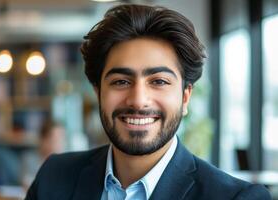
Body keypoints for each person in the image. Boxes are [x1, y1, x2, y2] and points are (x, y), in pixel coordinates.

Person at [25, 4, 271, 200]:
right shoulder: (54, 177)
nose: (138, 100)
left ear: (185, 96)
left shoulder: (235, 197)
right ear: (98, 91)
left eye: (159, 81)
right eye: (121, 81)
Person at [22, 120, 66, 187]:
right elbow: (27, 185)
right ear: (43, 139)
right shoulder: (29, 159)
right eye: (54, 139)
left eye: (61, 138)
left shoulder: (66, 162)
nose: (58, 143)